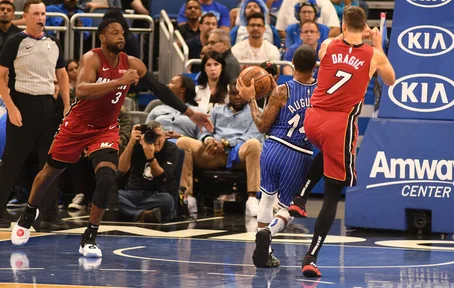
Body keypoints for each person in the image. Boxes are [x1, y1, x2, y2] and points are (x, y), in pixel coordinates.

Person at [10, 17, 213, 257]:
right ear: (102, 37)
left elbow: (159, 89)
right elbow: (82, 89)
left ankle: (90, 236)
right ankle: (29, 211)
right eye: (115, 32)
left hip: (105, 128)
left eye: (123, 33)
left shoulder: (132, 63)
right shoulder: (92, 58)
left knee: (106, 177)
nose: (121, 37)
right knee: (49, 173)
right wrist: (120, 81)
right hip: (77, 126)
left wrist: (190, 112)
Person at [286, 6, 395, 277]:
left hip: (312, 119)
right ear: (366, 28)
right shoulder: (374, 55)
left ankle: (300, 197)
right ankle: (311, 257)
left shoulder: (327, 44)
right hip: (340, 124)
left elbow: (334, 48)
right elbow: (392, 81)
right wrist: (378, 44)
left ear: (344, 25)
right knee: (334, 192)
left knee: (327, 152)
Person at [236, 45, 317, 268]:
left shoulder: (282, 90)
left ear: (291, 63)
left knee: (266, 198)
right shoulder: (322, 91)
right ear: (314, 66)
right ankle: (269, 233)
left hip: (272, 148)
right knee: (290, 207)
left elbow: (262, 126)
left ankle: (265, 250)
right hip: (299, 153)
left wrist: (251, 99)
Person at [0, 0, 70, 230]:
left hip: (48, 107)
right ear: (27, 16)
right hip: (22, 104)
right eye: (37, 14)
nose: (41, 18)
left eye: (44, 14)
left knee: (50, 163)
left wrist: (67, 106)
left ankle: (49, 216)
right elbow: (1, 76)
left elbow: (62, 75)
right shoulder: (15, 41)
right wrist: (11, 107)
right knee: (11, 162)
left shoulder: (54, 43)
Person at [176, 83, 263, 217]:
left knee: (254, 144)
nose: (238, 97)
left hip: (238, 154)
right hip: (213, 152)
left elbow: (252, 135)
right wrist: (208, 140)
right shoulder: (217, 111)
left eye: (240, 93)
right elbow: (204, 129)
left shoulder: (257, 111)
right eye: (234, 94)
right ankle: (187, 197)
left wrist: (226, 143)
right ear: (229, 95)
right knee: (183, 142)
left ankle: (252, 199)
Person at [117, 121, 180, 223]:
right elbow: (121, 170)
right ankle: (143, 214)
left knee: (167, 200)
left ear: (165, 136)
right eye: (152, 136)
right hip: (132, 193)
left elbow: (162, 177)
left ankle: (130, 212)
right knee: (111, 195)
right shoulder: (137, 145)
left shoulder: (171, 149)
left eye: (158, 136)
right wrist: (131, 142)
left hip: (157, 194)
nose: (155, 140)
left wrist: (150, 157)